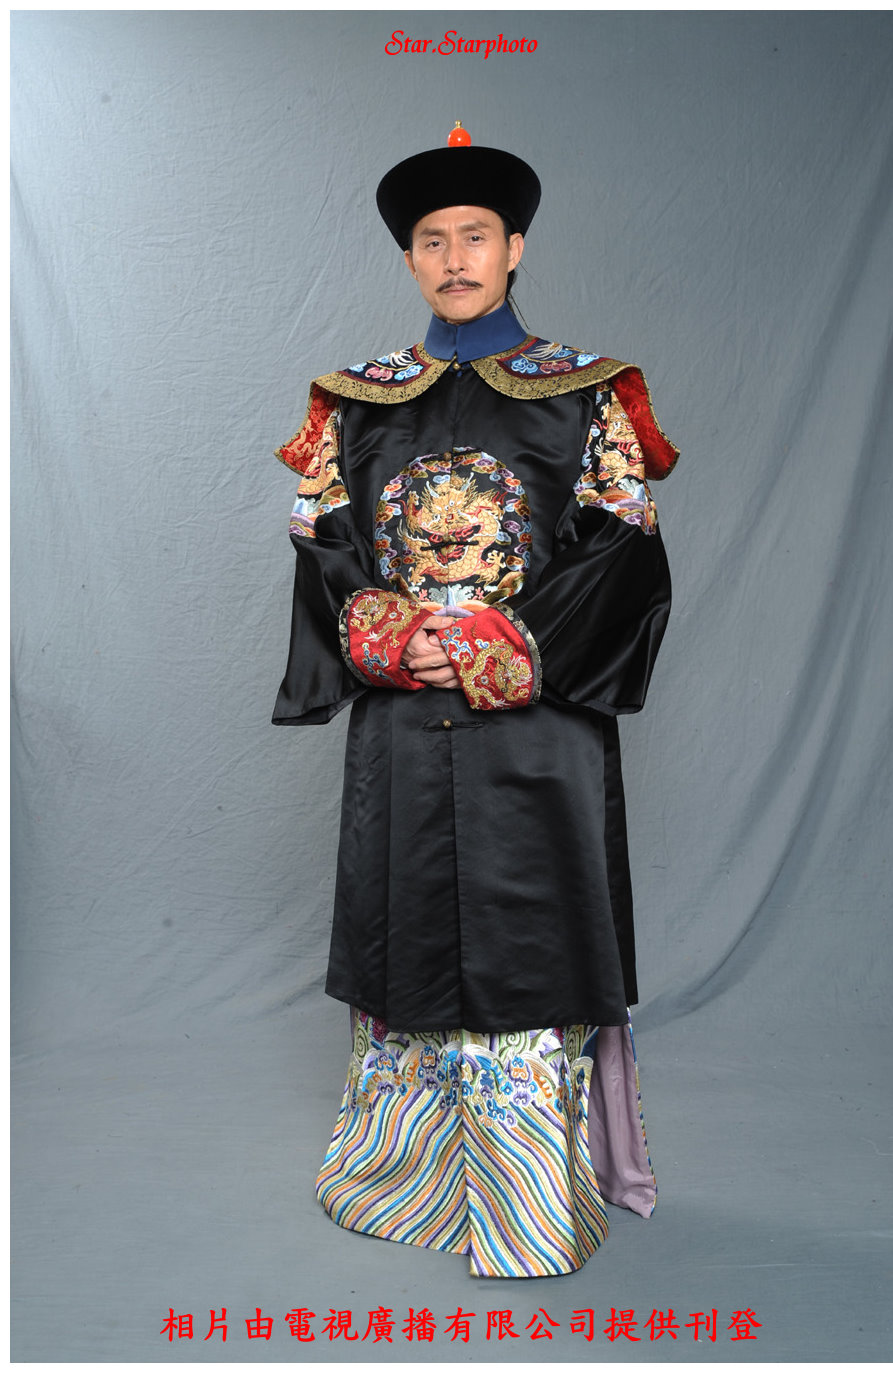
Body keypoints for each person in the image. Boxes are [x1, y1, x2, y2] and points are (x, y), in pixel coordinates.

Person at [272, 124, 678, 1278]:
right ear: (410, 257)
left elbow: (624, 556)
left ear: (515, 247)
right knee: (404, 932)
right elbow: (324, 549)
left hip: (536, 731)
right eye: (432, 240)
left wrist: (504, 641)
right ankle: (403, 1183)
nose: (454, 258)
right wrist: (396, 635)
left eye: (476, 236)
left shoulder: (584, 395)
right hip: (402, 726)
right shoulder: (356, 403)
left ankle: (529, 1206)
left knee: (527, 941)